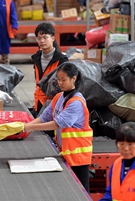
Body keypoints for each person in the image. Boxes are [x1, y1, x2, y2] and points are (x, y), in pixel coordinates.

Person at [24, 62, 92, 193]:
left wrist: (30, 128)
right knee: (70, 190)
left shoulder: (76, 102)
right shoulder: (58, 97)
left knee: (82, 191)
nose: (60, 83)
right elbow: (45, 116)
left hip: (78, 156)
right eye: (58, 79)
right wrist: (29, 125)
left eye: (64, 80)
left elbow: (57, 123)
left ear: (74, 78)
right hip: (65, 153)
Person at [100, 124, 135, 201]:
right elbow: (110, 193)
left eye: (130, 144)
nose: (125, 148)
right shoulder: (116, 165)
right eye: (121, 144)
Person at [31, 23, 68, 116]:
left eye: (45, 37)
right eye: (39, 38)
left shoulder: (61, 60)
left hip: (54, 105)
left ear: (52, 38)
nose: (42, 41)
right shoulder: (36, 58)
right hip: (38, 102)